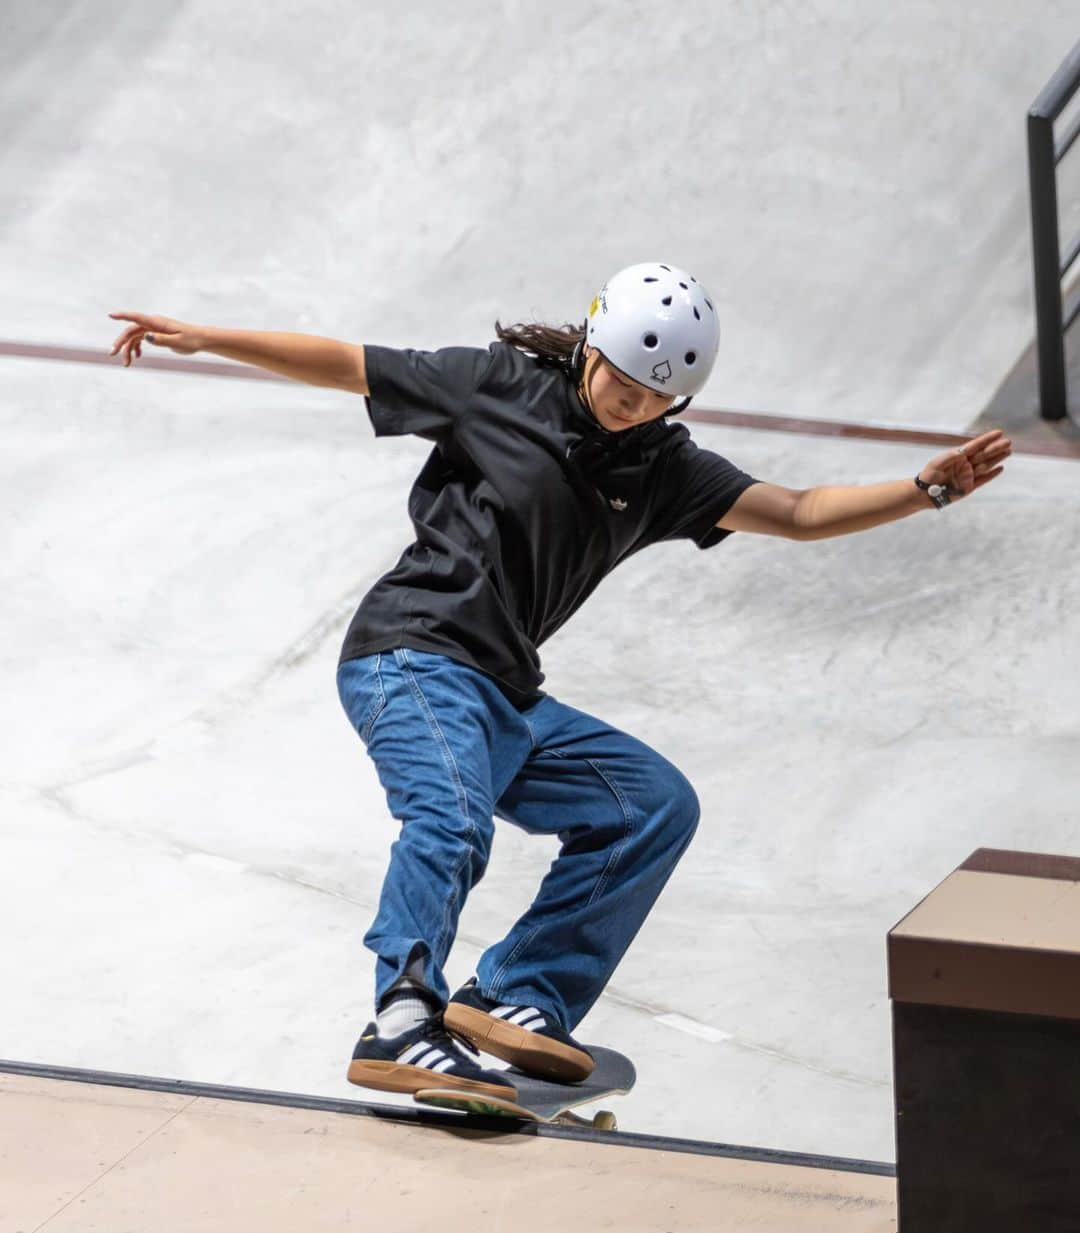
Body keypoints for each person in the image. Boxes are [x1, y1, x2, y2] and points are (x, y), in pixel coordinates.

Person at [108, 262, 1011, 1104]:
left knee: (652, 804)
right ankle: (400, 1020)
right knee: (451, 814)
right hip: (411, 653)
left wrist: (921, 490)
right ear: (591, 347)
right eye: (624, 381)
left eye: (660, 395)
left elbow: (800, 512)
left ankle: (516, 996)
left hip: (505, 692)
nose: (636, 404)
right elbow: (350, 364)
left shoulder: (663, 467)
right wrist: (209, 337)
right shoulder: (497, 387)